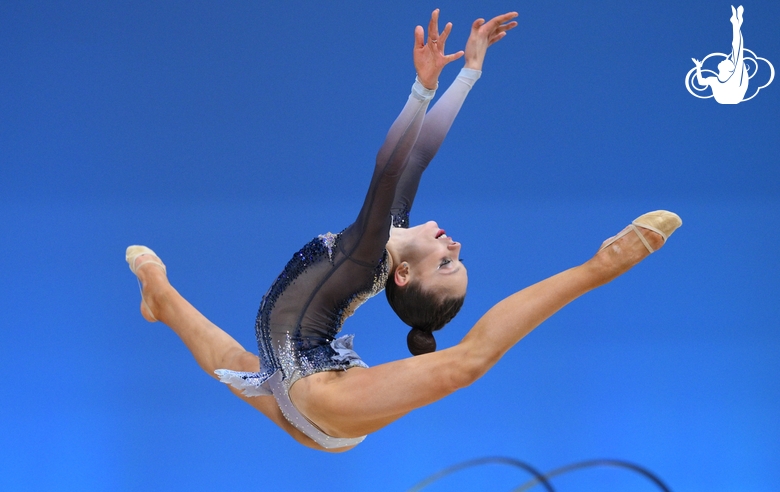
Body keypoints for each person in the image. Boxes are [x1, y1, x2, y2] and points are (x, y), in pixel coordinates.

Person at [126, 10, 682, 453]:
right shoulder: (394, 230)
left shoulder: (367, 252)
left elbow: (387, 165)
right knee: (240, 364)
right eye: (457, 259)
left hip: (323, 395)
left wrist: (421, 89)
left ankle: (600, 267)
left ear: (403, 273)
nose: (456, 246)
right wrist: (470, 74)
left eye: (447, 264)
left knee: (463, 366)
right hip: (307, 388)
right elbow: (418, 157)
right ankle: (161, 292)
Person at [692, 5, 748, 104]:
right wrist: (698, 67)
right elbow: (701, 82)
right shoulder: (715, 80)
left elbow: (738, 49)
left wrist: (698, 68)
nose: (724, 59)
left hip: (733, 95)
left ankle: (736, 23)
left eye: (726, 61)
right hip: (728, 96)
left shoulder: (733, 77)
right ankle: (736, 23)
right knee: (737, 52)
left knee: (737, 51)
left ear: (728, 69)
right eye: (727, 60)